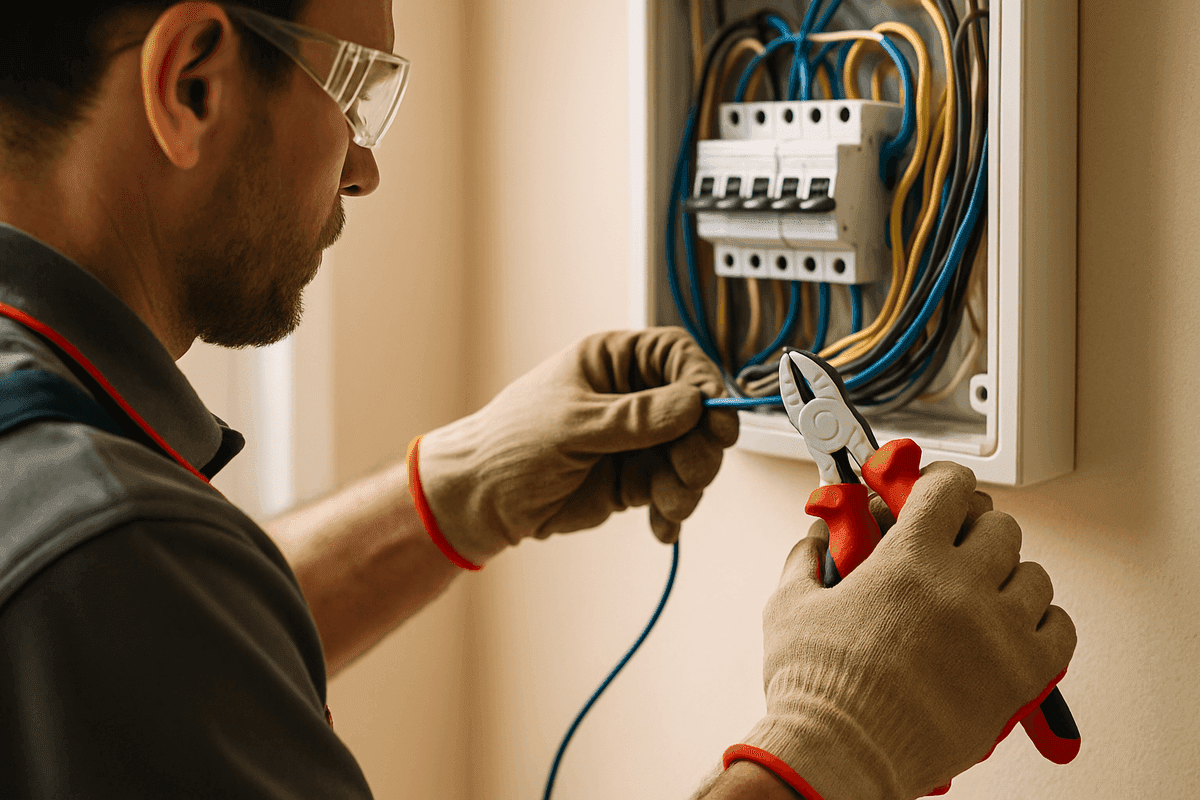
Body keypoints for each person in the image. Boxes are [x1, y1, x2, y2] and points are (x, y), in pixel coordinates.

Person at [0, 1, 1076, 798]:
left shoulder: (78, 513)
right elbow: (124, 595)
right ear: (192, 82)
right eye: (357, 89)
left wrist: (460, 488)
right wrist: (844, 732)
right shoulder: (106, 546)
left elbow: (158, 654)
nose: (365, 166)